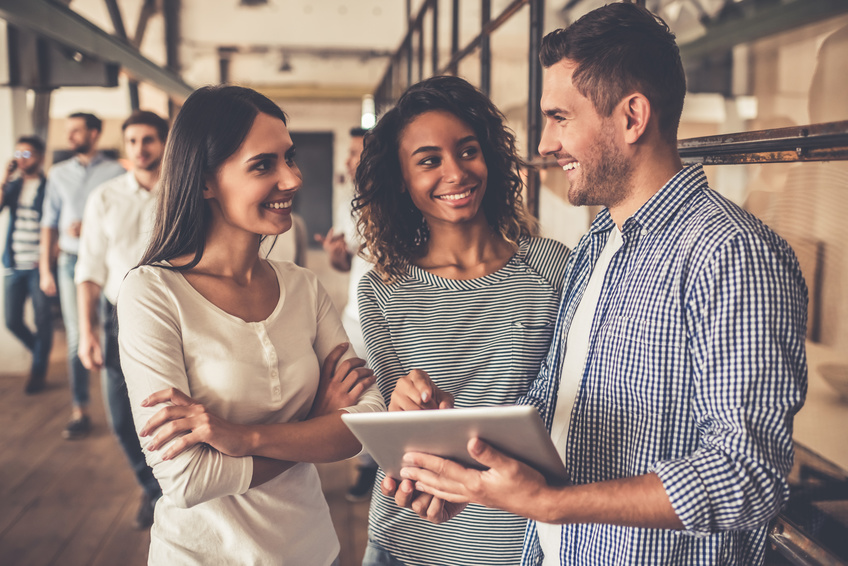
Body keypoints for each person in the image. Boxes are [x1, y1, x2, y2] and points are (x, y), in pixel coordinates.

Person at [396, 4, 808, 566]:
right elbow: (553, 408)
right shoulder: (598, 246)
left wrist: (553, 503)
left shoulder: (732, 255)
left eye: (560, 118)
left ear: (632, 117)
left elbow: (747, 476)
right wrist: (465, 460)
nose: (543, 144)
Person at [116, 85, 385, 564]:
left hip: (312, 549)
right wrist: (315, 426)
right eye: (263, 165)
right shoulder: (153, 293)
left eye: (290, 158)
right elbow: (186, 480)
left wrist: (247, 438)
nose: (293, 178)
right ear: (204, 181)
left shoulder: (303, 287)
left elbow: (367, 422)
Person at [354, 75, 570, 566]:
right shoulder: (382, 290)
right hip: (407, 538)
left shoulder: (553, 268)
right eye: (429, 161)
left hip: (513, 542)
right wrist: (402, 407)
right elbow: (399, 431)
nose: (455, 172)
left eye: (467, 151)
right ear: (402, 181)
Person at [74, 110, 168, 529]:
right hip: (117, 317)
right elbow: (88, 269)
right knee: (119, 417)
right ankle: (154, 490)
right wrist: (87, 331)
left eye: (148, 139)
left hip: (172, 313)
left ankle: (177, 492)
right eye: (132, 141)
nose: (140, 149)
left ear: (165, 143)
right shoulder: (105, 198)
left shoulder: (183, 194)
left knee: (168, 412)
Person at [39, 112, 126, 439]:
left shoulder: (117, 172)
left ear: (95, 132)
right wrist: (46, 267)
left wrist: (89, 227)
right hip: (69, 262)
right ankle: (81, 408)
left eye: (76, 130)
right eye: (68, 130)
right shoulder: (58, 174)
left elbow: (117, 221)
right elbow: (49, 223)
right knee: (78, 336)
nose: (70, 135)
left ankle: (117, 404)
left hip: (107, 262)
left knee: (110, 336)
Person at [316, 126, 379, 501]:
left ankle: (383, 464)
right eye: (349, 153)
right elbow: (344, 262)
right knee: (362, 392)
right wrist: (337, 255)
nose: (348, 161)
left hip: (396, 317)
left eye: (356, 153)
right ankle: (367, 465)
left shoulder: (410, 201)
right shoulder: (350, 204)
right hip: (357, 315)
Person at [2, 136, 52, 394]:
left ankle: (38, 371)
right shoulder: (12, 186)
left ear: (40, 157)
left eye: (28, 154)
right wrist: (4, 177)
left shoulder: (49, 186)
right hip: (13, 263)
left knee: (44, 320)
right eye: (18, 154)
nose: (22, 159)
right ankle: (40, 354)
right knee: (11, 320)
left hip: (37, 264)